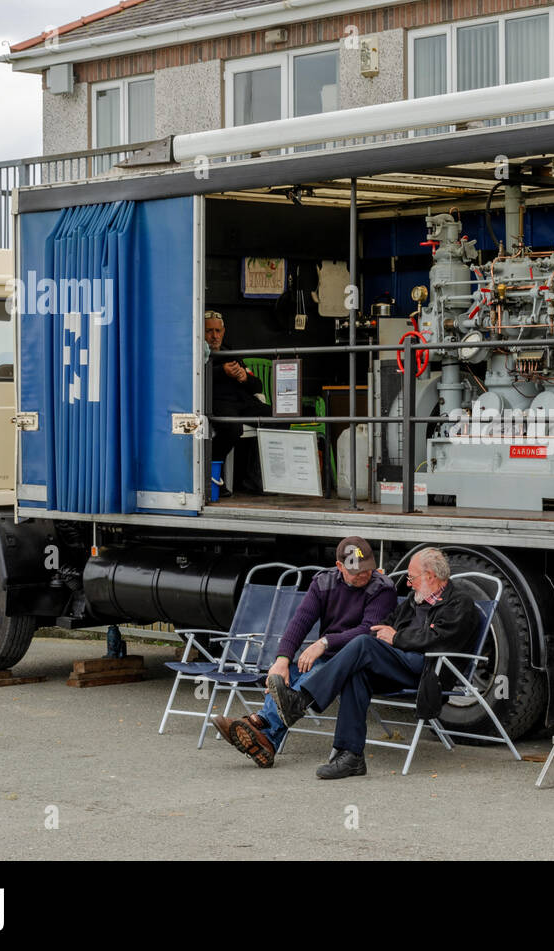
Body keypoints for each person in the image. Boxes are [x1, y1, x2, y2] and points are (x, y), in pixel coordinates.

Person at [266, 547, 478, 779]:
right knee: (357, 672)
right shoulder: (415, 600)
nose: (408, 583)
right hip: (402, 664)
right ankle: (351, 757)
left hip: (428, 672)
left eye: (411, 577)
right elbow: (385, 625)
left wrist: (396, 637)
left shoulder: (460, 603)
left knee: (363, 644)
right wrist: (387, 634)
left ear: (430, 576)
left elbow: (439, 640)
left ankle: (301, 700)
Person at [212, 537, 396, 768]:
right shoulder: (324, 582)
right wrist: (281, 660)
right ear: (339, 567)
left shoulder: (383, 588)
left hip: (358, 659)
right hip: (327, 654)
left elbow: (367, 631)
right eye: (356, 571)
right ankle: (266, 740)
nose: (363, 575)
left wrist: (324, 643)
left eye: (367, 569)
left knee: (314, 671)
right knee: (284, 676)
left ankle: (260, 722)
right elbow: (300, 621)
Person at [205, 310, 271, 495]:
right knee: (232, 428)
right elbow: (195, 380)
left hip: (243, 403)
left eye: (218, 331)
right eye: (209, 331)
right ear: (200, 332)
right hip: (217, 403)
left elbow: (257, 386)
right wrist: (221, 371)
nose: (214, 336)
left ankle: (257, 480)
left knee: (276, 417)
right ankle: (211, 477)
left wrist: (244, 378)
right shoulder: (197, 354)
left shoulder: (231, 352)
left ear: (223, 331)